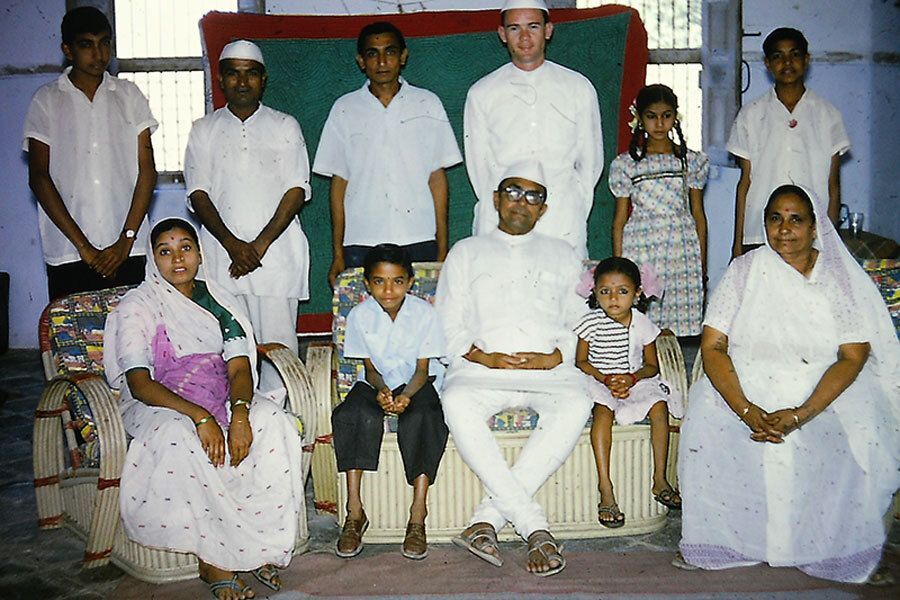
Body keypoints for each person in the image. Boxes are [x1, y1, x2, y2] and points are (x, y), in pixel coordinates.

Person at [676, 185, 900, 584]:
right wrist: (745, 409)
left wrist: (800, 414)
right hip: (746, 379)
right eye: (775, 218)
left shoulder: (837, 276)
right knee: (707, 420)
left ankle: (834, 545)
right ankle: (734, 542)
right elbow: (713, 345)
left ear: (815, 228)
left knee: (852, 434)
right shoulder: (745, 269)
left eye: (796, 219)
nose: (784, 229)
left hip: (821, 383)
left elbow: (853, 354)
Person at [103, 218, 307, 600]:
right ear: (153, 258)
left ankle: (255, 544)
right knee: (179, 436)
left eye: (185, 248)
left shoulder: (220, 300)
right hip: (159, 400)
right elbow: (139, 383)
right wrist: (201, 417)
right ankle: (214, 559)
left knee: (273, 422)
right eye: (165, 250)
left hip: (220, 391)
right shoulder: (138, 305)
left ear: (199, 254)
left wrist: (241, 413)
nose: (177, 258)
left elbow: (239, 366)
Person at [436, 161, 593, 577]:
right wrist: (481, 356)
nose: (521, 202)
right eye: (512, 191)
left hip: (548, 370)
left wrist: (555, 356)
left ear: (544, 208)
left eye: (533, 195)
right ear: (495, 199)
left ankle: (486, 521)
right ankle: (534, 527)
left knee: (578, 402)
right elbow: (448, 322)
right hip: (482, 369)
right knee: (455, 401)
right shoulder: (466, 251)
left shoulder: (565, 254)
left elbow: (579, 320)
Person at [184, 40, 311, 393]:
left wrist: (257, 246)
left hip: (276, 258)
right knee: (228, 348)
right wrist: (233, 245)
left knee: (278, 352)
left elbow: (296, 189)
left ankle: (283, 427)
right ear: (221, 79)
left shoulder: (285, 125)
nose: (242, 82)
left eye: (251, 73)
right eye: (233, 74)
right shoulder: (203, 130)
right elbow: (198, 192)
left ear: (263, 79)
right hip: (222, 259)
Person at [313, 22, 462, 287]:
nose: (382, 61)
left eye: (390, 52)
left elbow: (437, 179)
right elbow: (338, 185)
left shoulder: (428, 103)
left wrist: (442, 247)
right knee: (366, 323)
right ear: (361, 61)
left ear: (403, 56)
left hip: (419, 237)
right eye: (372, 53)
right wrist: (338, 253)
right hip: (361, 241)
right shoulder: (344, 109)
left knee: (421, 322)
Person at [24, 6, 157, 301]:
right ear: (67, 50)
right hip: (68, 252)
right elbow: (39, 177)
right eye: (87, 44)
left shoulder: (129, 95)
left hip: (128, 250)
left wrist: (126, 241)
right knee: (74, 342)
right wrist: (83, 247)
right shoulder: (46, 100)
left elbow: (147, 171)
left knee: (132, 340)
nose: (98, 54)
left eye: (104, 43)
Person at [331, 244, 448, 560]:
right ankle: (354, 511)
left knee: (426, 416)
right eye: (379, 281)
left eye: (397, 281)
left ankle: (417, 514)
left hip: (416, 382)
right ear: (367, 284)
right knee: (352, 413)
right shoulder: (359, 315)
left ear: (410, 282)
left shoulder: (423, 313)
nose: (388, 289)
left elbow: (423, 369)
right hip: (377, 381)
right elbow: (369, 369)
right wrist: (382, 391)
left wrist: (407, 396)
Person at [463, 0, 604, 258]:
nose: (525, 37)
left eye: (533, 26)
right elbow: (479, 169)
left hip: (562, 219)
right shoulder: (482, 93)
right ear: (502, 34)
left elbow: (590, 163)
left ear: (548, 30)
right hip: (501, 221)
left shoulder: (578, 88)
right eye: (515, 28)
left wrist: (571, 208)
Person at [574, 257, 683, 529]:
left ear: (637, 294)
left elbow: (651, 365)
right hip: (598, 379)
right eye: (605, 292)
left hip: (634, 378)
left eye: (622, 291)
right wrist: (606, 378)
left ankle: (660, 478)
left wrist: (631, 378)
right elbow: (582, 361)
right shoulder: (590, 323)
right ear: (595, 293)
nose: (613, 299)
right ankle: (605, 487)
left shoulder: (643, 323)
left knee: (659, 406)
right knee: (602, 413)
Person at [728, 28, 850, 257]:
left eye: (794, 55)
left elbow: (833, 185)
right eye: (778, 56)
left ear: (806, 60)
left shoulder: (827, 114)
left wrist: (830, 242)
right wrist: (737, 244)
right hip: (759, 233)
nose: (786, 62)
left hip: (811, 235)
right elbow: (744, 183)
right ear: (767, 63)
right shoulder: (751, 114)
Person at [610, 84, 709, 336]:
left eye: (666, 115)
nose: (659, 123)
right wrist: (619, 268)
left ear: (675, 116)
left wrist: (702, 263)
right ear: (640, 119)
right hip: (641, 246)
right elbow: (620, 220)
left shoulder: (690, 161)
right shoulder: (627, 164)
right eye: (651, 116)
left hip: (680, 248)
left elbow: (698, 214)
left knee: (676, 327)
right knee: (642, 324)